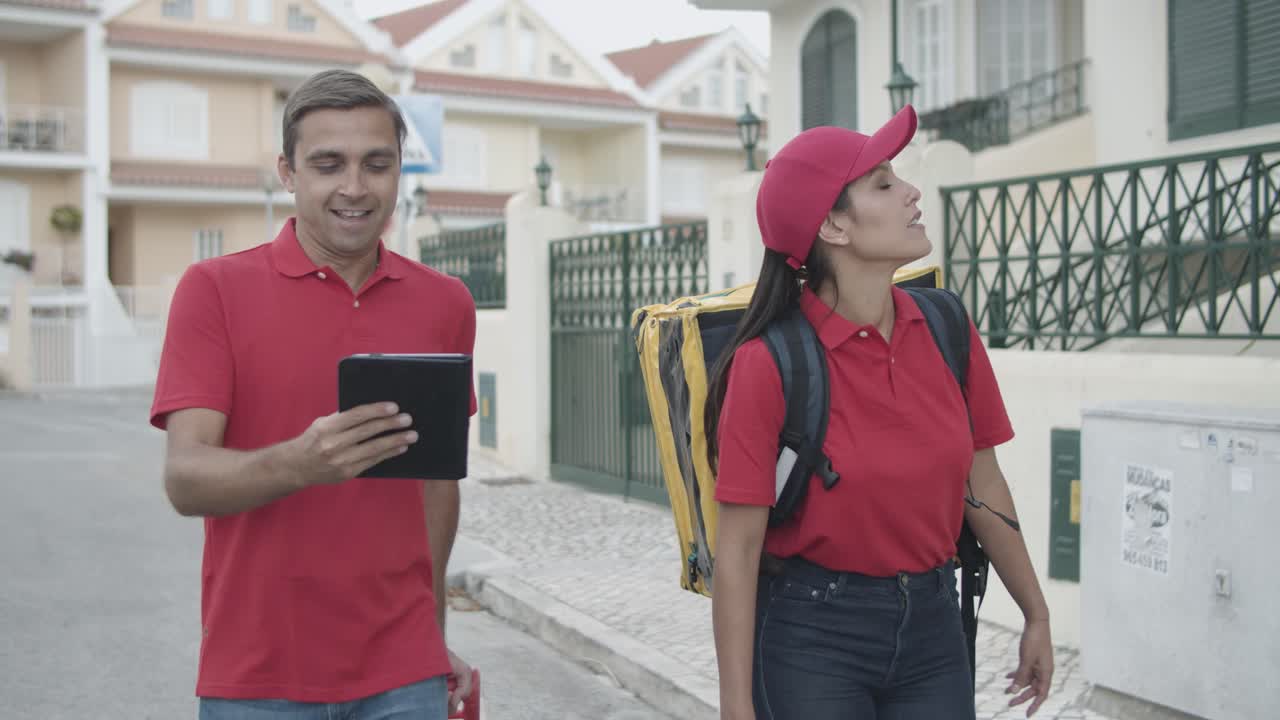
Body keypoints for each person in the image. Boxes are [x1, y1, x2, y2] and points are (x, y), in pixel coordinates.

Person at [704, 105, 1054, 720]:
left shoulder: (946, 327)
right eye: (885, 183)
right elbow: (737, 549)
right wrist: (737, 708)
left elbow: (984, 482)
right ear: (833, 226)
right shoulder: (769, 364)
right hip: (813, 638)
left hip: (932, 628)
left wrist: (1036, 613)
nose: (912, 193)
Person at [150, 69, 476, 720]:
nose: (355, 187)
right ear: (288, 172)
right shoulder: (213, 290)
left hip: (404, 671)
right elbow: (185, 479)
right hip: (257, 675)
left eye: (376, 164)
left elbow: (437, 485)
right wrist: (301, 462)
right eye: (328, 164)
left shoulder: (446, 303)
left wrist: (435, 635)